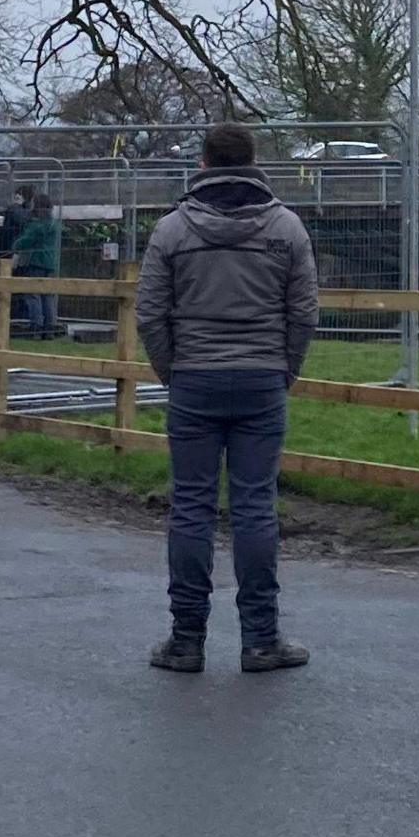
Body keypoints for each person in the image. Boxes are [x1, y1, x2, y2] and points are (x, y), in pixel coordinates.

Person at [132, 124, 321, 674]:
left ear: (204, 162)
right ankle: (261, 639)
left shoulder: (172, 229)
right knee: (255, 505)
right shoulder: (286, 227)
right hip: (262, 376)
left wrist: (173, 369)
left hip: (194, 375)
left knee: (190, 506)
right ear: (253, 161)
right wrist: (285, 367)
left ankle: (185, 639)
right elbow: (304, 311)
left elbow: (149, 313)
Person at [6, 190, 62, 337]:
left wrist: (15, 246)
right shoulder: (53, 224)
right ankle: (49, 328)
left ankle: (36, 326)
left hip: (36, 261)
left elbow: (25, 240)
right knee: (47, 295)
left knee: (32, 294)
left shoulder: (37, 225)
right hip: (49, 263)